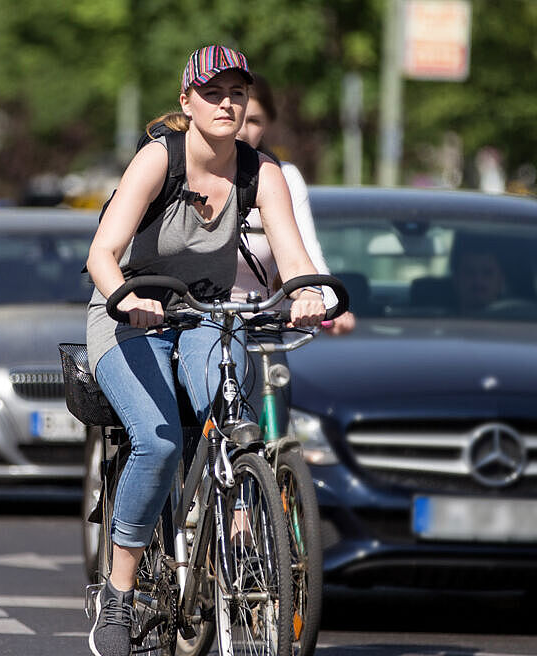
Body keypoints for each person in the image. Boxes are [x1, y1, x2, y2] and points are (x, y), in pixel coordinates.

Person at [83, 45, 326, 656]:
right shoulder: (156, 160)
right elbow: (101, 256)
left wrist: (304, 293)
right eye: (213, 92)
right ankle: (119, 590)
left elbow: (292, 256)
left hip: (206, 316)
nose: (227, 102)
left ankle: (233, 529)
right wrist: (126, 299)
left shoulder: (261, 171)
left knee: (229, 416)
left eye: (237, 93)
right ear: (186, 101)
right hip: (127, 314)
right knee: (158, 439)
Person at [233, 74, 356, 335]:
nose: (242, 131)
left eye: (254, 121)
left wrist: (327, 304)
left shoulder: (280, 176)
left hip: (260, 326)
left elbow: (305, 252)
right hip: (196, 323)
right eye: (237, 118)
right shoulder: (187, 171)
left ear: (268, 125)